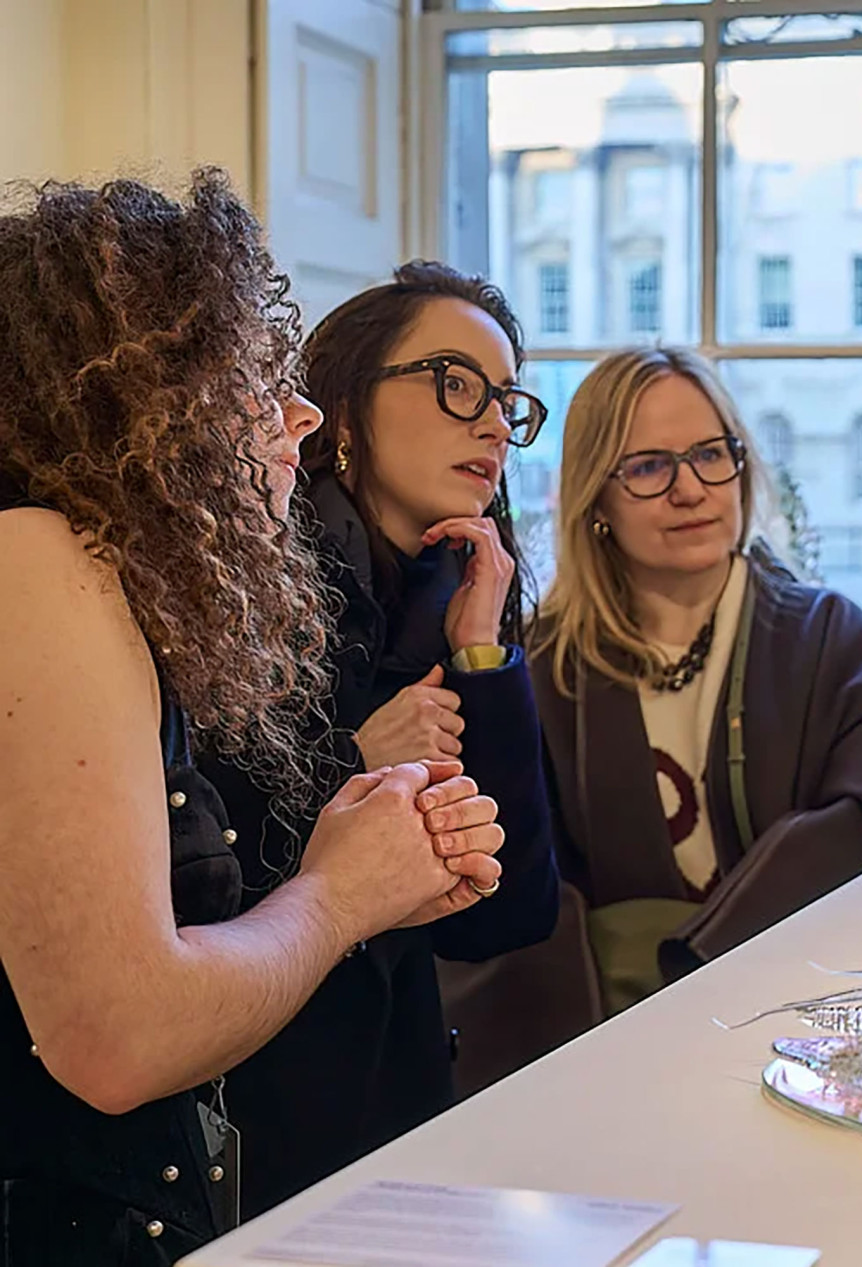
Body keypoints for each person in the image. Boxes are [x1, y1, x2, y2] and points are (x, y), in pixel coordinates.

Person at [0, 173, 507, 1265]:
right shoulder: (38, 557)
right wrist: (342, 893)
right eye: (251, 376)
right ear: (134, 391)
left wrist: (359, 858)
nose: (302, 415)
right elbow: (118, 1038)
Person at [195, 262, 560, 1217]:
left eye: (507, 401)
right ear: (345, 408)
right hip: (245, 1122)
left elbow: (505, 916)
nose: (492, 422)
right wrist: (352, 760)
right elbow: (185, 862)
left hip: (395, 1125)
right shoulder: (240, 584)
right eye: (455, 383)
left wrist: (486, 655)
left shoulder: (447, 606)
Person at [530, 347, 862, 1012]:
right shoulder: (547, 668)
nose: (689, 489)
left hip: (808, 1012)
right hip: (609, 1035)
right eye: (650, 466)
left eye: (711, 454)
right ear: (595, 496)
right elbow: (527, 897)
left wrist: (700, 952)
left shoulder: (838, 647)